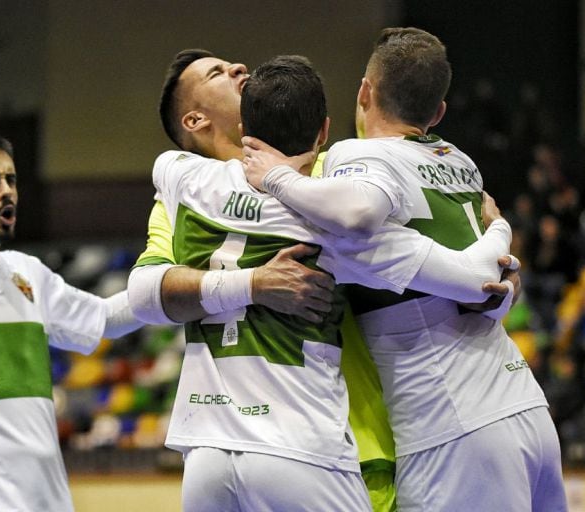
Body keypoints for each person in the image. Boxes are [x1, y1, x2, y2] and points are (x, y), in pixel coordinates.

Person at [128, 53, 517, 511]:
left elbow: (472, 260)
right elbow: (146, 294)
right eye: (218, 73)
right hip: (313, 443)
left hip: (350, 437)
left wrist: (499, 286)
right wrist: (256, 282)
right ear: (194, 119)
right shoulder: (329, 183)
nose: (238, 68)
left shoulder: (182, 180)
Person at [243, 28, 567, 511]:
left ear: (365, 92)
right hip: (523, 404)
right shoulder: (461, 162)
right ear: (437, 113)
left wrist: (275, 175)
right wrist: (503, 235)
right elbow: (489, 287)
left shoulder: (360, 153)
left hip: (452, 425)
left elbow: (357, 211)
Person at [0, 133, 145, 511]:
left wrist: (196, 283)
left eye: (11, 180)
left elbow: (106, 318)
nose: (6, 192)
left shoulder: (28, 273)